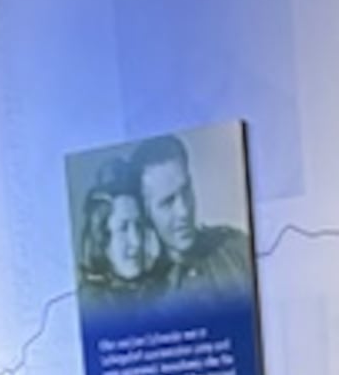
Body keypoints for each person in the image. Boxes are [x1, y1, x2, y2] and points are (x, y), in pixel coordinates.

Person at [131, 130, 252, 296]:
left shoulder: (237, 250)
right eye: (167, 202)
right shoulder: (140, 294)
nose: (184, 211)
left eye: (186, 191)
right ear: (146, 212)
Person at [77, 167, 158, 305]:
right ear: (101, 237)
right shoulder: (90, 304)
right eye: (123, 228)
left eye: (138, 226)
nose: (136, 241)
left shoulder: (159, 291)